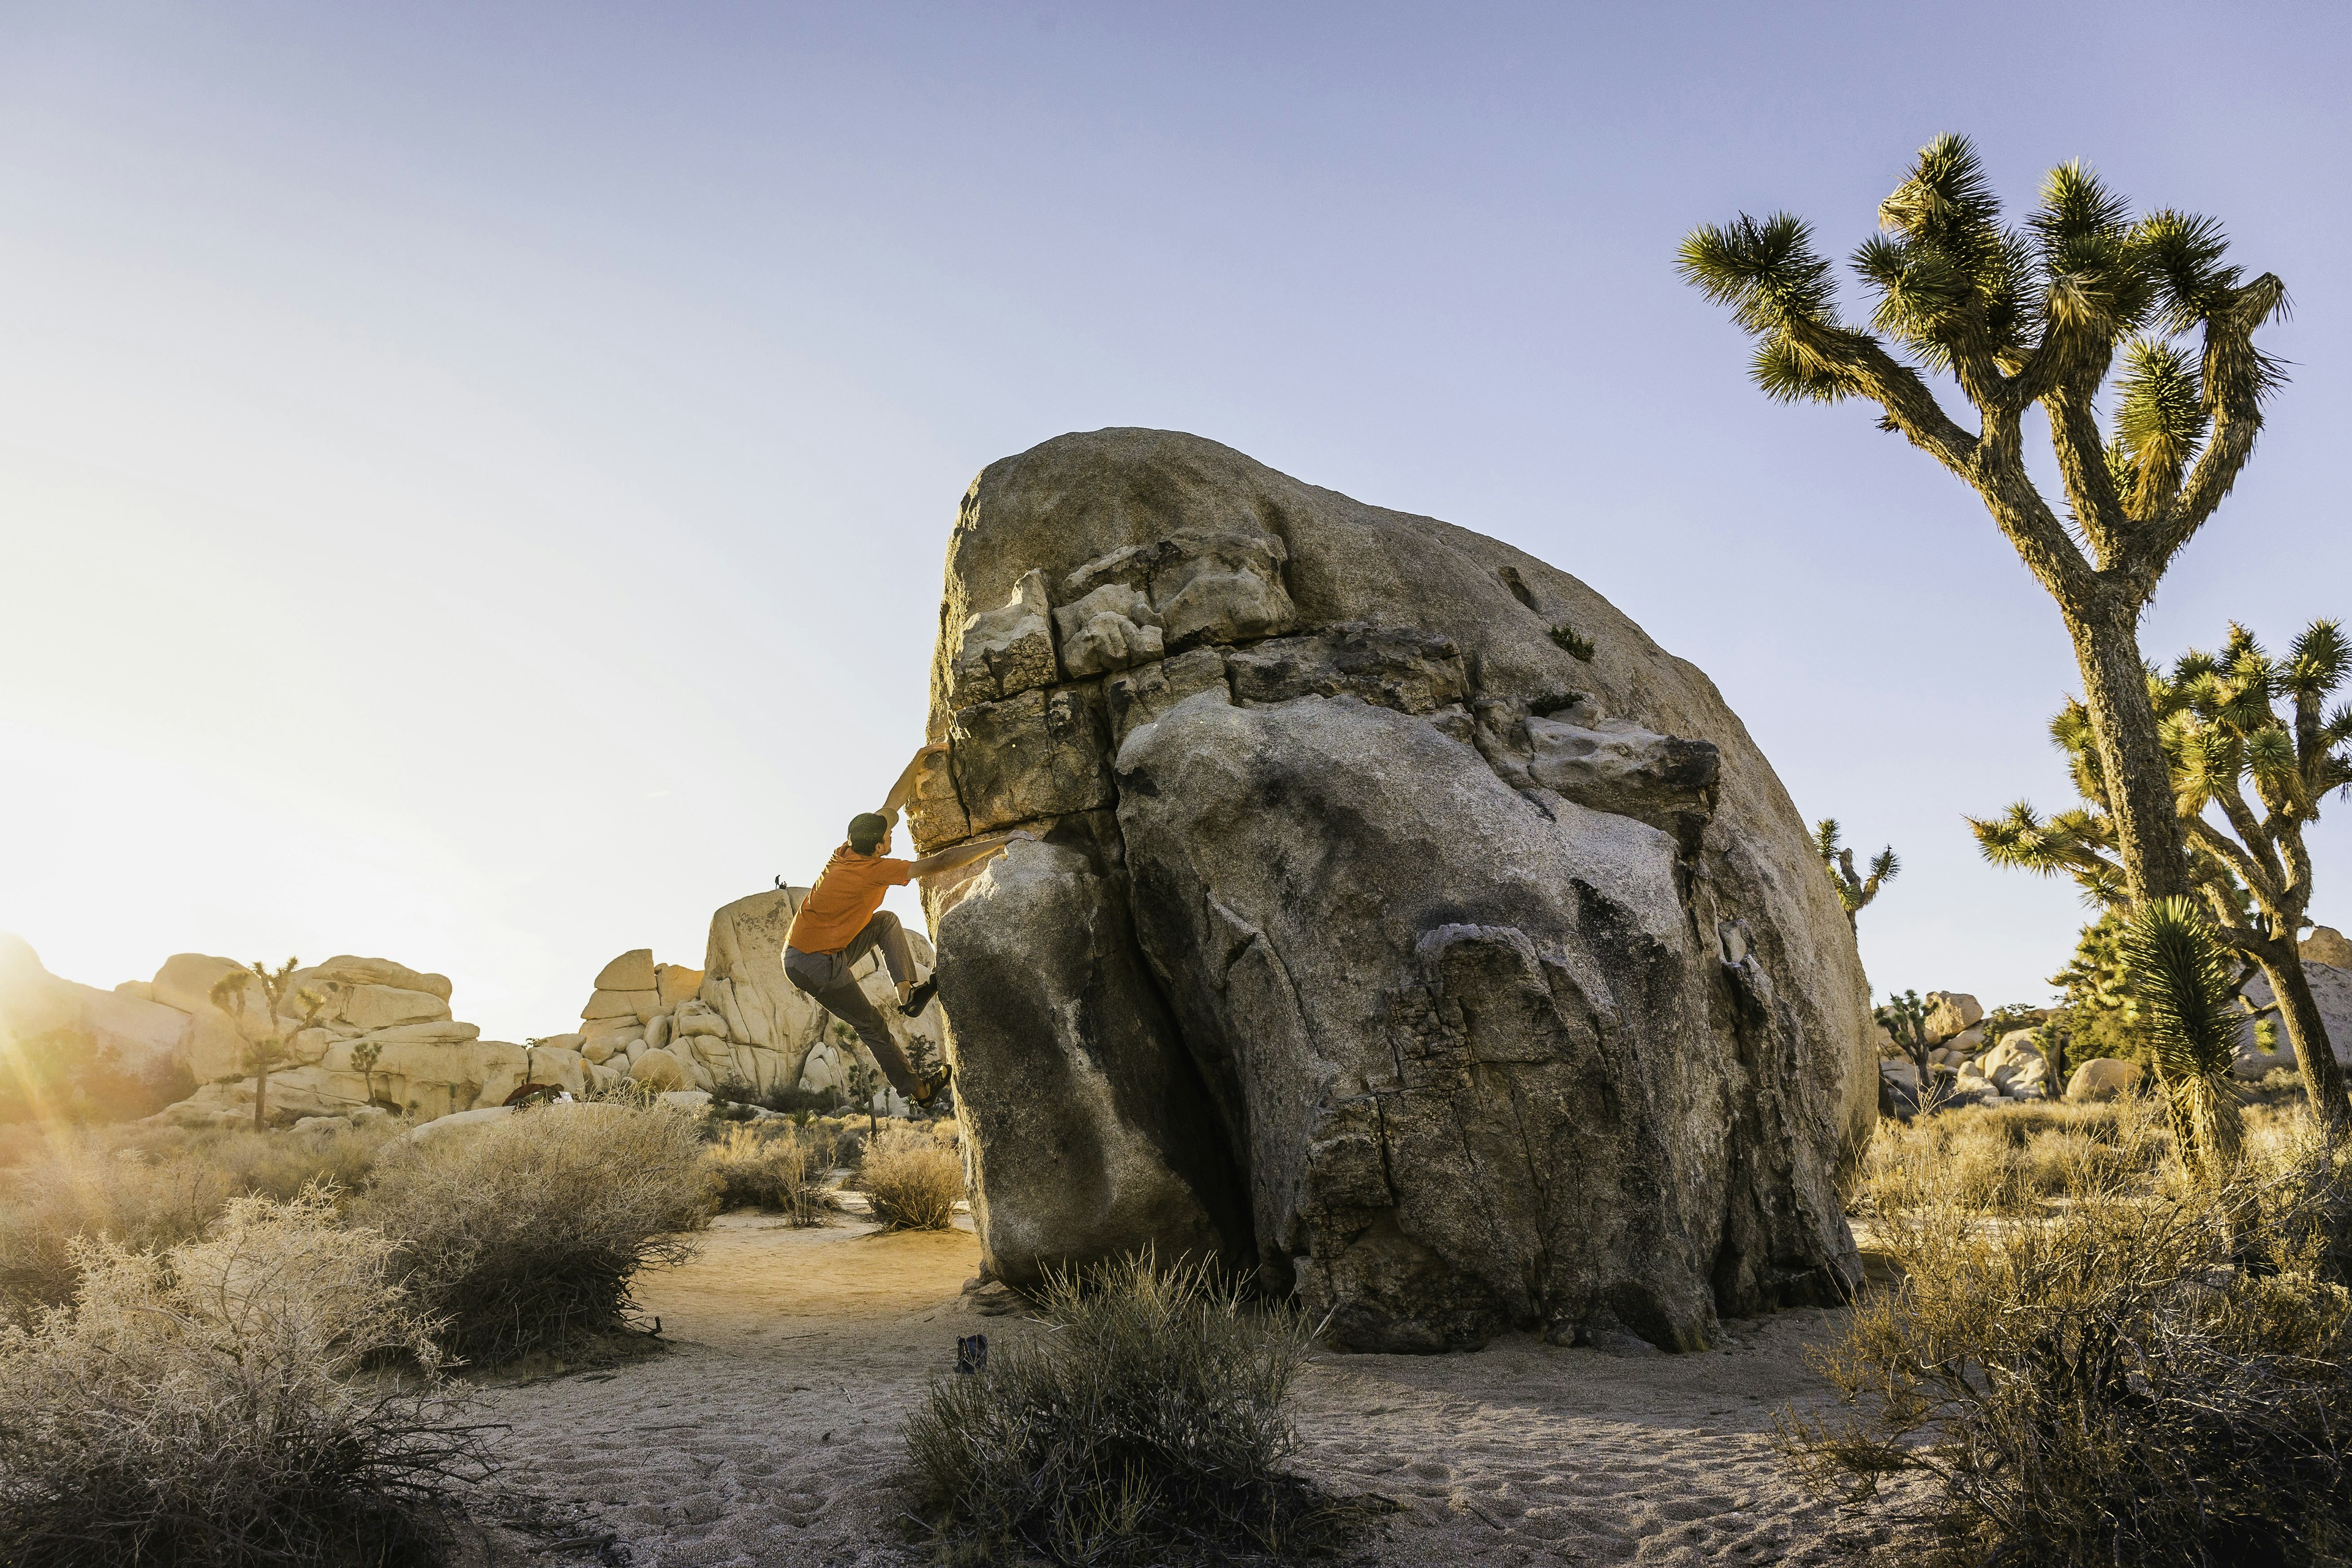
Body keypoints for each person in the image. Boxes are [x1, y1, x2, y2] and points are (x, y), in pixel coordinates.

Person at [782, 742, 1026, 1109]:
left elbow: (891, 804)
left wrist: (917, 760)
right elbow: (940, 862)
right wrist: (1001, 842)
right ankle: (920, 1092)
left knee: (885, 922)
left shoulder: (850, 848)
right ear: (878, 849)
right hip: (813, 964)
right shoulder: (875, 870)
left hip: (811, 949)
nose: (892, 837)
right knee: (871, 1027)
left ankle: (909, 995)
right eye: (888, 840)